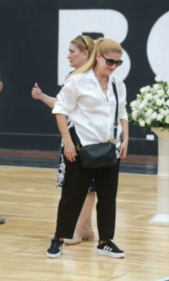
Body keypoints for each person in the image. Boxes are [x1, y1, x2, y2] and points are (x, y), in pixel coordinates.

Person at [47, 38, 128, 259]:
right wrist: (69, 142)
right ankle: (59, 239)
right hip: (82, 148)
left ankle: (105, 241)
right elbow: (60, 111)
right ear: (98, 57)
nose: (113, 67)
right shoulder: (77, 81)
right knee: (72, 196)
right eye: (110, 61)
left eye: (118, 63)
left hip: (110, 149)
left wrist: (126, 139)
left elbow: (122, 113)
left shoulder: (117, 84)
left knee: (108, 197)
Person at [32, 35, 96, 245]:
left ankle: (75, 230)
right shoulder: (72, 76)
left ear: (85, 54)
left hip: (88, 139)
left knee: (88, 186)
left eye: (72, 51)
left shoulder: (94, 77)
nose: (68, 55)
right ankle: (86, 228)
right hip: (71, 137)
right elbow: (62, 106)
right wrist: (42, 96)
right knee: (74, 185)